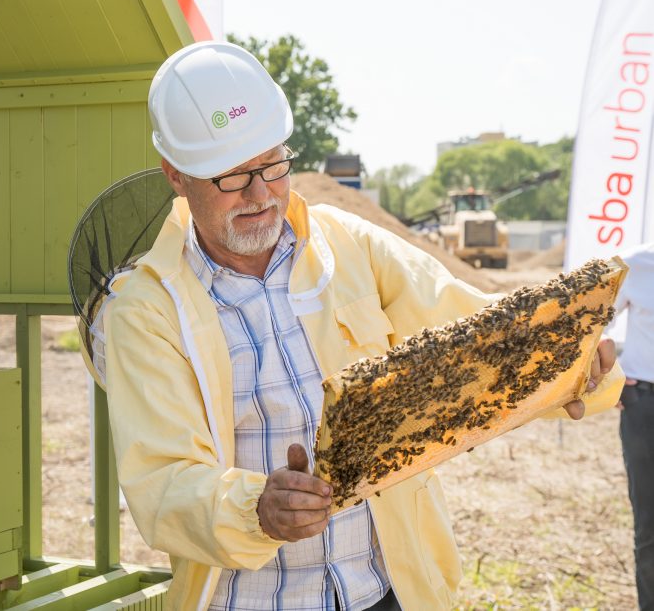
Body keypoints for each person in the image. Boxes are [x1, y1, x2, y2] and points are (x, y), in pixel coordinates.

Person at [97, 41, 620, 610]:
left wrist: (567, 360)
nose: (259, 194)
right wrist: (257, 509)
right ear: (176, 174)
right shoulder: (146, 311)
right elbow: (162, 482)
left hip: (387, 589)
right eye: (231, 177)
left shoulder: (348, 245)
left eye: (273, 166)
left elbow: (473, 328)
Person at [615, 243, 654, 610]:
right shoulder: (635, 263)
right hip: (645, 407)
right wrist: (610, 378)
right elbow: (594, 326)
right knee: (650, 526)